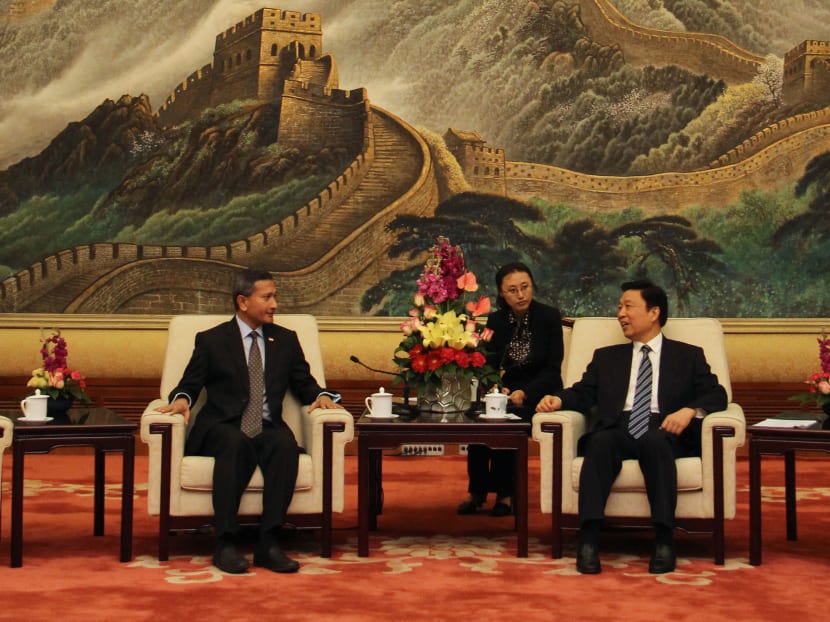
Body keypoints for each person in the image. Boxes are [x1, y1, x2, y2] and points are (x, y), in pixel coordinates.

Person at [157, 268, 341, 574]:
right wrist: (181, 400)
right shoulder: (213, 340)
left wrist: (321, 396)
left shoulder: (285, 340)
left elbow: (304, 383)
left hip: (266, 426)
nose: (275, 305)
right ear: (243, 302)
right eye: (267, 297)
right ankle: (225, 543)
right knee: (235, 443)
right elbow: (190, 383)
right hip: (223, 426)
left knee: (284, 445)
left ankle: (269, 543)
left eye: (275, 296)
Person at [536, 279, 727, 575]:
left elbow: (717, 395)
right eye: (619, 307)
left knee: (655, 442)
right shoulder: (607, 357)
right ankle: (588, 538)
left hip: (664, 428)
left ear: (654, 313)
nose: (621, 314)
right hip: (619, 426)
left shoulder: (688, 356)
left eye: (628, 306)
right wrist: (558, 400)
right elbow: (583, 392)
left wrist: (689, 411)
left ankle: (664, 539)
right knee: (600, 442)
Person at [457, 262, 564, 517]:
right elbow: (487, 363)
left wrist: (524, 393)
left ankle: (505, 494)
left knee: (506, 424)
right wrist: (496, 386)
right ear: (502, 294)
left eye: (525, 287)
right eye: (513, 290)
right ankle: (477, 492)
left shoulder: (549, 317)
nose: (521, 295)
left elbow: (553, 369)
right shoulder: (496, 320)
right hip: (505, 391)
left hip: (539, 393)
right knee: (479, 422)